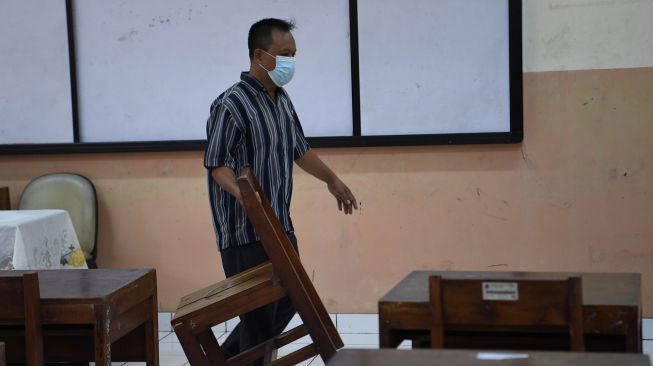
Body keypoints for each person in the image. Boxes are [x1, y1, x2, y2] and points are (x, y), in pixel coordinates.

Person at [203, 18, 357, 364]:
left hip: (280, 225)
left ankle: (223, 360)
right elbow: (218, 165)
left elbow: (299, 149)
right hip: (245, 232)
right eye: (283, 54)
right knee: (258, 321)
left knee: (290, 299)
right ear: (259, 55)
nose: (290, 62)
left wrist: (333, 180)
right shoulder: (231, 104)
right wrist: (245, 197)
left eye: (294, 54)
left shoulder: (282, 100)